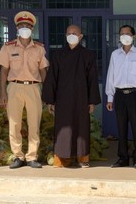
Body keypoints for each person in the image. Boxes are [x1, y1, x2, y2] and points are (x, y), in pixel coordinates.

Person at [41, 24, 101, 168]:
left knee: (82, 127)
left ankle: (83, 157)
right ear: (66, 36)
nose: (71, 35)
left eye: (74, 33)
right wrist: (51, 100)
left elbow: (92, 79)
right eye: (69, 33)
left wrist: (92, 101)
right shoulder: (58, 55)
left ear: (80, 36)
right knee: (63, 128)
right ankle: (62, 158)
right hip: (63, 98)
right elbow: (52, 78)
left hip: (82, 97)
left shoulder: (88, 55)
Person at [0, 11, 49, 169]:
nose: (24, 28)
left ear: (32, 28)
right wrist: (3, 92)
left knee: (34, 123)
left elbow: (43, 72)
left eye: (27, 26)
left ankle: (32, 156)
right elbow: (4, 71)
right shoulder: (8, 47)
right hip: (14, 87)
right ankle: (18, 156)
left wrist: (46, 92)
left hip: (33, 87)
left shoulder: (39, 48)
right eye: (21, 25)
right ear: (17, 28)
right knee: (14, 123)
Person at [105, 25, 136, 169]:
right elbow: (110, 76)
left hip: (135, 94)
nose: (124, 36)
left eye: (127, 33)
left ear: (133, 36)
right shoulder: (115, 55)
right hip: (119, 95)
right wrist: (110, 98)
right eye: (121, 34)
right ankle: (122, 158)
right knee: (121, 128)